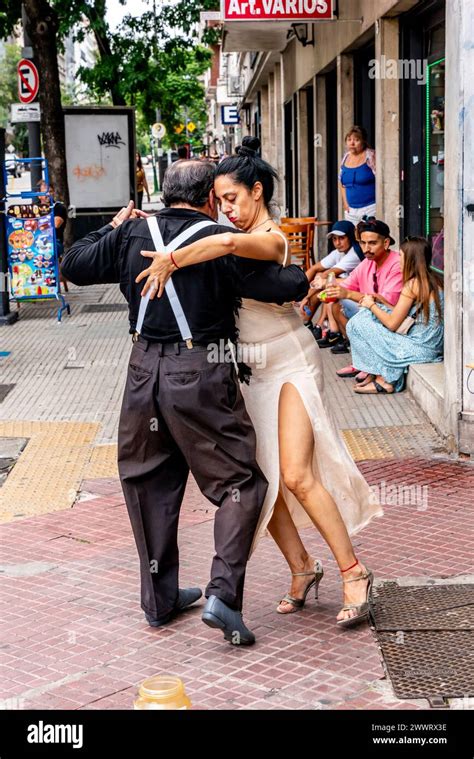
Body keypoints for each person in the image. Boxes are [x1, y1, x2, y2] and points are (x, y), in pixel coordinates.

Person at [61, 160, 309, 646]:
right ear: (210, 198)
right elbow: (288, 285)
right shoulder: (217, 240)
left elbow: (74, 264)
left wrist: (113, 226)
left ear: (164, 193)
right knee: (241, 483)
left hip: (141, 371)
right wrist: (284, 255)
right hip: (201, 372)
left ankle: (160, 600)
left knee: (147, 478)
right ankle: (222, 595)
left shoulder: (132, 233)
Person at [138, 137, 383, 627]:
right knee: (257, 483)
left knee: (296, 474)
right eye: (220, 202)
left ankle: (354, 571)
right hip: (248, 368)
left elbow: (228, 244)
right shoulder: (227, 229)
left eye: (232, 199)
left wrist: (171, 258)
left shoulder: (271, 237)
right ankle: (301, 568)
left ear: (256, 191)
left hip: (291, 362)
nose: (227, 210)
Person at [346, 236, 444, 393]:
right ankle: (377, 374)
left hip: (419, 347)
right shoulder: (435, 280)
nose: (399, 261)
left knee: (358, 322)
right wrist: (381, 302)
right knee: (368, 314)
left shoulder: (413, 284)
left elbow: (392, 324)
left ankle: (384, 380)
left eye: (401, 257)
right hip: (430, 346)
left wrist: (371, 305)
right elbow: (404, 313)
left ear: (411, 260)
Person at [318, 217, 404, 377]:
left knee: (345, 301)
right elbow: (346, 285)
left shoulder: (397, 263)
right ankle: (360, 361)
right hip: (371, 313)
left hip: (390, 319)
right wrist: (327, 292)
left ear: (385, 243)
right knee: (335, 302)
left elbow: (386, 302)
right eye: (363, 243)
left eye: (372, 243)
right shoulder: (368, 262)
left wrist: (348, 294)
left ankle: (369, 364)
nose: (366, 248)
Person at [302, 220, 364, 350]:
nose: (337, 242)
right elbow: (314, 269)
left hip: (360, 294)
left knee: (327, 287)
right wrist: (297, 289)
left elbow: (327, 276)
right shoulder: (339, 252)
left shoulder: (355, 253)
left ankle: (334, 333)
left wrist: (305, 297)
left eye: (342, 238)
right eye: (334, 239)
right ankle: (309, 324)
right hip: (347, 289)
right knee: (320, 278)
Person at [340, 126, 376, 225]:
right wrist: (345, 203)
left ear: (363, 141)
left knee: (369, 237)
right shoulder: (346, 157)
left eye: (356, 140)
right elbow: (341, 182)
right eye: (349, 139)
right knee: (353, 238)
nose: (352, 143)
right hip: (351, 210)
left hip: (370, 208)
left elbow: (381, 180)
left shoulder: (370, 156)